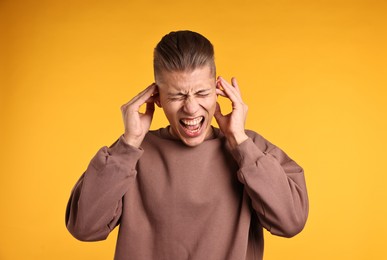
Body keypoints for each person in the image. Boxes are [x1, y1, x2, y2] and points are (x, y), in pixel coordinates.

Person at [66, 30, 309, 260]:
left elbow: (291, 222)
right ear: (157, 98)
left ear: (218, 91)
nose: (191, 108)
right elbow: (84, 227)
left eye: (202, 93)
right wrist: (127, 145)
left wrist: (239, 142)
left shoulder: (251, 149)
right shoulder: (130, 154)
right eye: (177, 96)